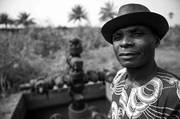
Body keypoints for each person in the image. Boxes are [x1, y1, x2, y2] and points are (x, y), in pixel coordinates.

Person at [101, 3, 180, 119]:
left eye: (137, 34)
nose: (124, 43)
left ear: (156, 41)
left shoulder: (174, 94)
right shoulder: (119, 77)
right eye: (117, 37)